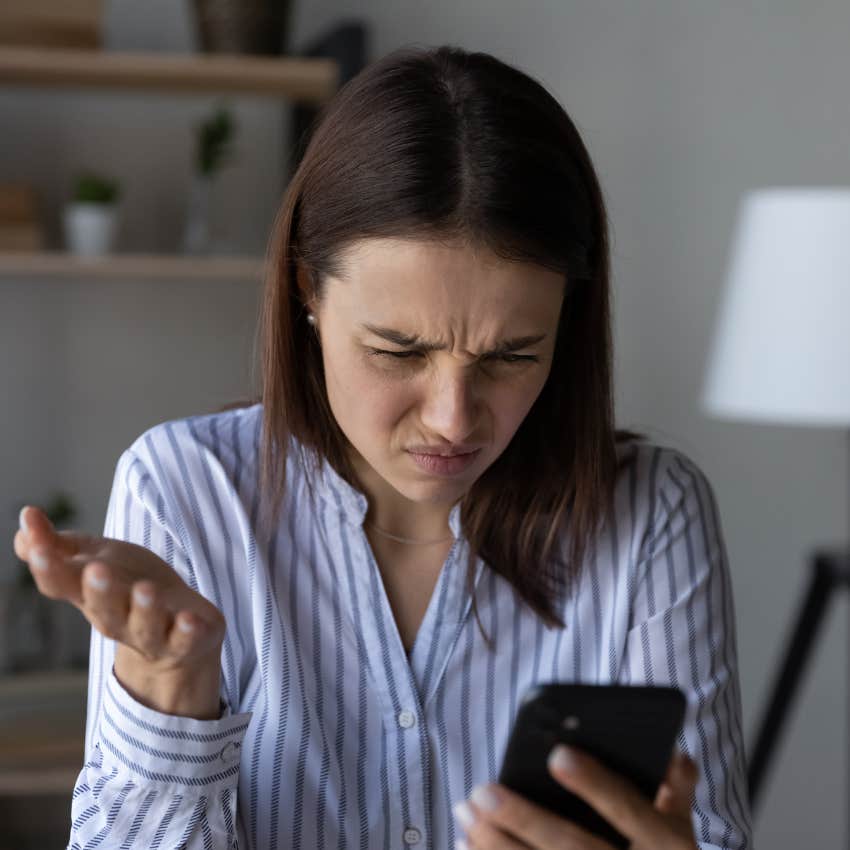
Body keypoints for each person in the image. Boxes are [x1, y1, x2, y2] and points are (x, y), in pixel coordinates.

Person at [13, 44, 752, 850]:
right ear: (307, 289)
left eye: (512, 356)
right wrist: (168, 698)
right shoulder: (183, 491)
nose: (452, 419)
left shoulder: (651, 513)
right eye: (398, 351)